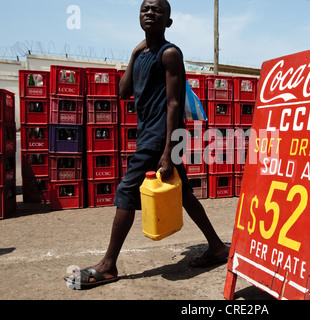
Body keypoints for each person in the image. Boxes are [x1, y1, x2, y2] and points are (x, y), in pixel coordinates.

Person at [67, 0, 228, 289]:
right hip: (151, 135)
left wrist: (167, 151)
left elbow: (175, 102)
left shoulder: (169, 54)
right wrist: (132, 54)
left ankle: (108, 266)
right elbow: (123, 92)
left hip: (161, 137)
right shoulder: (142, 55)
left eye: (157, 11)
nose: (150, 13)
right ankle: (217, 247)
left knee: (127, 191)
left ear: (168, 21)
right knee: (183, 193)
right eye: (145, 10)